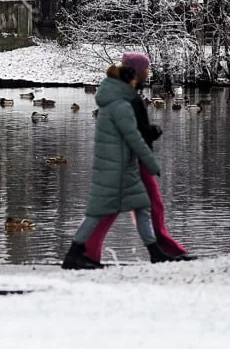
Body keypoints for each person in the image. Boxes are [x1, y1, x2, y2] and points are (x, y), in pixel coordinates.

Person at [62, 53, 179, 270]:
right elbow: (133, 137)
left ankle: (155, 253)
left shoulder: (115, 101)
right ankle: (74, 255)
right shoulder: (121, 105)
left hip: (120, 165)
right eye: (144, 71)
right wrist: (151, 162)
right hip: (116, 168)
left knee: (141, 207)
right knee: (98, 213)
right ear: (131, 77)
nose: (146, 75)